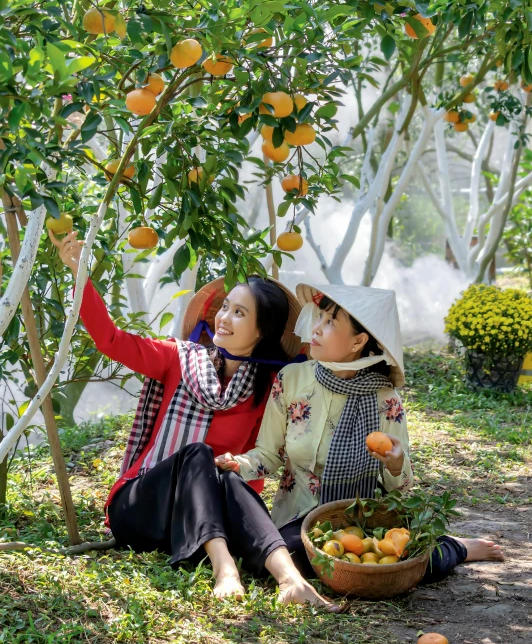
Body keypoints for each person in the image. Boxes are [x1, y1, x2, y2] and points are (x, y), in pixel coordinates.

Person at [50, 231, 341, 608]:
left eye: (239, 312)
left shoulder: (268, 388)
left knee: (230, 477)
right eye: (225, 307)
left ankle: (292, 582)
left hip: (193, 523)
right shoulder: (178, 358)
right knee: (197, 453)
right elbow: (111, 340)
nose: (223, 318)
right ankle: (225, 571)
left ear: (262, 331)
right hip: (140, 508)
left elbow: (255, 468)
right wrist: (79, 274)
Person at [215, 283, 504, 585]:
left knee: (409, 563)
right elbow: (268, 455)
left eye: (330, 322)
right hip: (298, 517)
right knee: (276, 562)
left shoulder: (383, 398)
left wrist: (394, 463)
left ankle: (454, 547)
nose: (316, 328)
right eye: (319, 317)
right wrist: (238, 464)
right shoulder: (292, 379)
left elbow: (400, 487)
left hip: (362, 519)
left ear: (358, 341)